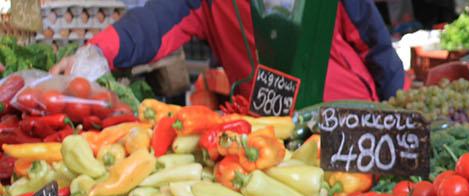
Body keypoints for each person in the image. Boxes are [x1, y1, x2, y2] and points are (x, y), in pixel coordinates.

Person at [53, 0, 403, 102]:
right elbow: (153, 24)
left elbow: (374, 42)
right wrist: (94, 56)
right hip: (270, 138)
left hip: (350, 120)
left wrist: (398, 102)